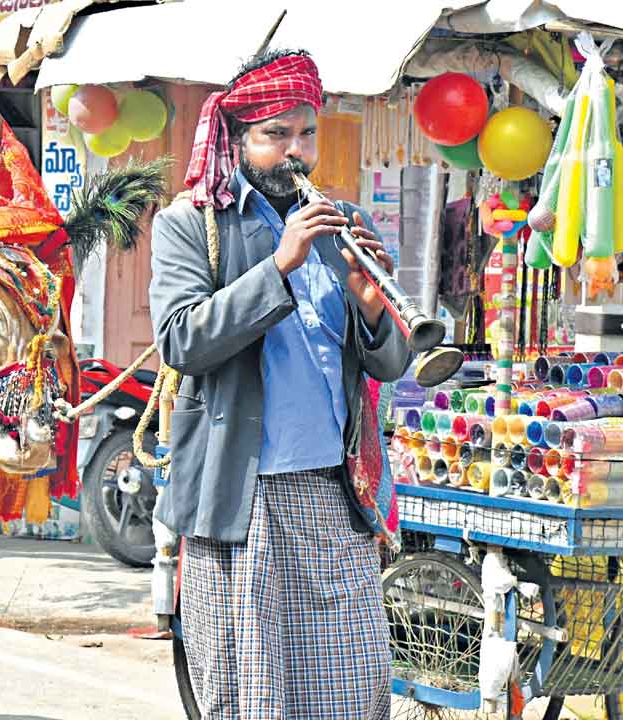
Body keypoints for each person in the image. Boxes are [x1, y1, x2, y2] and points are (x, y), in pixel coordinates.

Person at [148, 50, 413, 719]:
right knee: (253, 699)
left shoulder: (341, 222)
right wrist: (280, 264)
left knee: (355, 694)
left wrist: (374, 310)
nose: (297, 152)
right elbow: (182, 340)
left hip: (331, 495)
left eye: (307, 133)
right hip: (243, 499)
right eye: (276, 135)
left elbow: (385, 366)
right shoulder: (190, 223)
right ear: (236, 140)